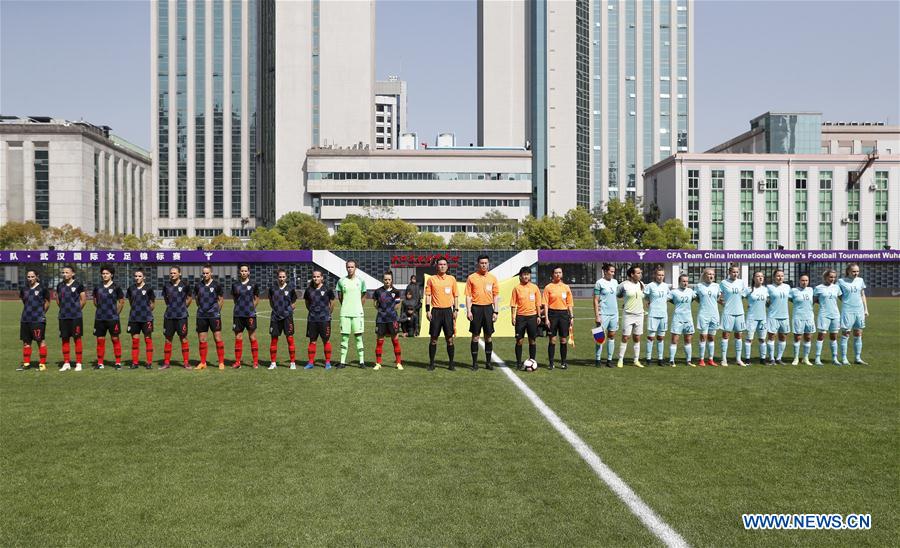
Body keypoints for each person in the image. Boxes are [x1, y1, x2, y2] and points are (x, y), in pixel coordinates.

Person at [466, 254, 500, 371]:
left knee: (488, 337)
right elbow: (468, 296)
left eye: (486, 263)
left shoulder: (493, 278)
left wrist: (496, 311)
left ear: (488, 264)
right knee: (475, 336)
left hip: (488, 309)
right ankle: (474, 363)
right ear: (478, 264)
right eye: (482, 263)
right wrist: (469, 310)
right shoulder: (471, 278)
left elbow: (496, 296)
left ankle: (488, 363)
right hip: (476, 309)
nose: (484, 265)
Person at [425, 258, 458, 371]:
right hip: (436, 312)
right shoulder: (431, 279)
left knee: (449, 339)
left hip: (448, 311)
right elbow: (428, 296)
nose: (442, 266)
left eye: (444, 264)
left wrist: (456, 309)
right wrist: (428, 310)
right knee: (433, 339)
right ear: (437, 266)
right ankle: (431, 363)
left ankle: (451, 363)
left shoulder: (452, 279)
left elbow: (456, 295)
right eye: (440, 264)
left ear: (447, 266)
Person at [17, 269, 50, 371]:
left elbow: (47, 302)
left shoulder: (43, 288)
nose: (30, 279)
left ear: (37, 276)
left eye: (32, 276)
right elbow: (24, 301)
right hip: (25, 319)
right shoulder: (24, 289)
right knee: (26, 342)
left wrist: (41, 313)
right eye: (28, 277)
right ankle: (26, 363)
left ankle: (42, 364)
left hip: (38, 319)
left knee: (40, 341)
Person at [193, 265, 225, 370]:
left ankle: (221, 362)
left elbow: (220, 299)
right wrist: (202, 308)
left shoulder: (217, 285)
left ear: (211, 273)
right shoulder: (198, 285)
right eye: (204, 273)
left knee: (217, 338)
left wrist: (217, 311)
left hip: (214, 315)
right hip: (201, 315)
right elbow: (197, 300)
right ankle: (203, 362)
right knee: (202, 340)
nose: (205, 275)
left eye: (207, 273)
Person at [336, 260, 367, 368]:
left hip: (357, 313)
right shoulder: (341, 281)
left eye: (352, 267)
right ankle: (342, 362)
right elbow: (340, 297)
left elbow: (363, 296)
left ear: (355, 268)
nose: (350, 269)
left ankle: (362, 362)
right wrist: (346, 305)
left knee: (358, 337)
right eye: (348, 267)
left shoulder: (361, 281)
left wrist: (358, 306)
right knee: (344, 338)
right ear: (346, 268)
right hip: (345, 313)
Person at [510, 266, 542, 370]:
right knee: (519, 340)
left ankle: (532, 361)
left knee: (532, 340)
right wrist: (513, 317)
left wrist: (538, 316)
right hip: (520, 317)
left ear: (530, 276)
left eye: (527, 274)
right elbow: (513, 304)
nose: (526, 276)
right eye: (524, 274)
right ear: (520, 276)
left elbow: (538, 303)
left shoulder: (534, 287)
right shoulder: (516, 288)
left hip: (532, 317)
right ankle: (518, 363)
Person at [543, 266, 574, 370]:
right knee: (552, 340)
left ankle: (563, 362)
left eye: (560, 272)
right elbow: (545, 304)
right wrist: (546, 318)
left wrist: (572, 316)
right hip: (552, 314)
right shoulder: (548, 287)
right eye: (556, 273)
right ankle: (551, 363)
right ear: (552, 274)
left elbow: (569, 303)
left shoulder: (566, 287)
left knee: (563, 340)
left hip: (564, 315)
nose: (558, 274)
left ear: (562, 274)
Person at [161, 266, 192, 369]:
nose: (172, 275)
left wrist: (182, 308)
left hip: (181, 316)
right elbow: (166, 300)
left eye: (174, 273)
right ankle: (166, 363)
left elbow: (189, 298)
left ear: (179, 274)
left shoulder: (185, 285)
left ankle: (186, 362)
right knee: (168, 339)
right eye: (171, 273)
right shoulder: (166, 286)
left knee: (183, 338)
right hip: (169, 316)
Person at [303, 269, 335, 369]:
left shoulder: (327, 289)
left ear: (322, 278)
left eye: (318, 277)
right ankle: (311, 363)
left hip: (324, 319)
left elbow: (332, 302)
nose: (316, 278)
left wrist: (328, 313)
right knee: (312, 341)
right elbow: (307, 303)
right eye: (314, 277)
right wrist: (312, 312)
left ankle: (328, 362)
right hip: (312, 319)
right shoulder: (308, 290)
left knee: (326, 340)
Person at [56, 265, 86, 372]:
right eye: (63, 272)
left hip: (75, 317)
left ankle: (78, 363)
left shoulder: (78, 285)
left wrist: (76, 310)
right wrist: (64, 310)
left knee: (77, 339)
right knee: (65, 339)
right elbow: (58, 300)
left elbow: (83, 300)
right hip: (63, 316)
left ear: (72, 274)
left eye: (67, 272)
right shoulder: (59, 285)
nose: (64, 274)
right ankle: (66, 362)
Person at [838, 263, 868, 365]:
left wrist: (865, 309)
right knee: (846, 333)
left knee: (858, 333)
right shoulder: (841, 281)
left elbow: (862, 294)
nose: (856, 273)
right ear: (848, 272)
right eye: (853, 271)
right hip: (848, 310)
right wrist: (846, 302)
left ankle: (857, 358)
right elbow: (839, 295)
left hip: (859, 310)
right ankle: (844, 358)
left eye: (857, 271)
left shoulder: (860, 280)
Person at [231, 263, 260, 368]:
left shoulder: (253, 284)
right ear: (240, 272)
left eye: (245, 271)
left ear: (249, 272)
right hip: (238, 314)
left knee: (252, 337)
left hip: (250, 315)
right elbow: (235, 299)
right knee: (238, 337)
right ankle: (238, 362)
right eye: (242, 271)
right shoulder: (235, 285)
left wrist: (251, 308)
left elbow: (256, 298)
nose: (243, 272)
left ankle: (255, 362)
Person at [373, 271, 403, 370]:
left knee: (395, 341)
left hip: (392, 319)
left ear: (391, 280)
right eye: (385, 279)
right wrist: (382, 311)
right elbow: (375, 303)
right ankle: (378, 363)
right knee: (379, 342)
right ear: (383, 280)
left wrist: (392, 311)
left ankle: (398, 363)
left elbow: (398, 304)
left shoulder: (396, 291)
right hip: (381, 319)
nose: (387, 281)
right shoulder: (378, 291)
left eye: (389, 279)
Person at [125, 269, 155, 369]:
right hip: (134, 318)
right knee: (135, 340)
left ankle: (149, 362)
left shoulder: (149, 288)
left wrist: (146, 311)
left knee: (148, 339)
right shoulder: (131, 288)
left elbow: (152, 304)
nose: (137, 278)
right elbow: (130, 302)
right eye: (136, 276)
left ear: (144, 277)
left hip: (146, 318)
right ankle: (135, 362)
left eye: (139, 276)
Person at [615, 266, 644, 368]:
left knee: (637, 337)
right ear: (632, 274)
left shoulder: (641, 284)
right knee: (625, 337)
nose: (640, 274)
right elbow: (618, 295)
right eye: (638, 273)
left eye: (640, 272)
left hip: (639, 315)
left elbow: (642, 297)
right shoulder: (624, 285)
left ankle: (636, 360)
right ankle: (620, 359)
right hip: (628, 314)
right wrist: (625, 303)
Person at [269, 268, 298, 369]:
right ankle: (273, 363)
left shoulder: (290, 289)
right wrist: (277, 311)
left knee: (290, 339)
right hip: (275, 318)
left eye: (283, 277)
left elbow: (294, 303)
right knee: (274, 340)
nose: (281, 279)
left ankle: (293, 363)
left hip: (287, 318)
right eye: (280, 277)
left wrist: (287, 312)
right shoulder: (272, 289)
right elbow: (271, 302)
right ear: (277, 278)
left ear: (286, 277)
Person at [718, 264, 747, 367]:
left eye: (737, 272)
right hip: (728, 312)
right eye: (733, 272)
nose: (735, 274)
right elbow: (718, 296)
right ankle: (724, 359)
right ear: (729, 272)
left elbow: (744, 295)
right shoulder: (723, 283)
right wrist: (721, 302)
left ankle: (738, 359)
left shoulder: (741, 283)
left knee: (739, 335)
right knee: (726, 335)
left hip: (739, 312)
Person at [592, 263, 619, 367]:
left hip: (614, 313)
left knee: (611, 335)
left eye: (613, 271)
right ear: (606, 271)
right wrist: (597, 315)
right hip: (603, 313)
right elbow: (595, 300)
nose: (613, 273)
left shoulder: (615, 282)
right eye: (611, 271)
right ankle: (598, 360)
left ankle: (609, 360)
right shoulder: (599, 283)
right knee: (599, 337)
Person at [813, 269, 841, 366]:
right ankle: (817, 358)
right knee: (821, 336)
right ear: (825, 277)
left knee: (834, 337)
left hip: (835, 314)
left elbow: (842, 299)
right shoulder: (818, 288)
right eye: (830, 277)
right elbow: (814, 300)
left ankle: (835, 358)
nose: (832, 279)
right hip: (824, 314)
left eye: (834, 277)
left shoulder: (837, 288)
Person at [668, 274, 696, 367]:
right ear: (679, 282)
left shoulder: (691, 291)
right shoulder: (674, 292)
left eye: (687, 281)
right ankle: (671, 360)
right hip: (678, 318)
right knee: (675, 340)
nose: (685, 283)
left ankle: (688, 361)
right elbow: (668, 299)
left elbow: (693, 299)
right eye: (683, 281)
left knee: (688, 340)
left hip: (688, 318)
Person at [644, 266, 670, 366]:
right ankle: (648, 359)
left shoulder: (666, 286)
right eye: (659, 275)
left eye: (662, 275)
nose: (660, 277)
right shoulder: (650, 286)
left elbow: (668, 296)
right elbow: (646, 296)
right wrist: (649, 301)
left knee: (660, 338)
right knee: (651, 337)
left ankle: (660, 359)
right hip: (653, 315)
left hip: (663, 315)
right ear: (655, 275)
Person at [765, 268, 792, 365]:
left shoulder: (787, 287)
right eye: (778, 276)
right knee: (771, 336)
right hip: (773, 316)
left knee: (783, 337)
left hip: (784, 316)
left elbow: (793, 299)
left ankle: (779, 358)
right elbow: (766, 301)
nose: (780, 277)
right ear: (774, 277)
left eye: (782, 276)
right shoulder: (769, 287)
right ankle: (771, 358)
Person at [695, 268, 721, 367]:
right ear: (704, 275)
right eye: (709, 274)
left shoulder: (717, 286)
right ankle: (701, 360)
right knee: (703, 337)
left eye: (713, 274)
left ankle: (710, 359)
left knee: (711, 337)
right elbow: (697, 298)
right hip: (703, 314)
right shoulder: (699, 286)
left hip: (714, 315)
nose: (711, 276)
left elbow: (718, 298)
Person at [743, 271, 769, 365]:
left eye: (762, 276)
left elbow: (768, 302)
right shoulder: (749, 290)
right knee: (749, 339)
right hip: (751, 318)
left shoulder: (766, 290)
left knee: (762, 339)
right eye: (758, 276)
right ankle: (747, 359)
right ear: (754, 278)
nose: (760, 278)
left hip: (763, 318)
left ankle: (763, 359)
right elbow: (740, 298)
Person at [789, 273, 815, 366]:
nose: (804, 282)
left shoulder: (811, 290)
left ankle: (806, 358)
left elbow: (815, 300)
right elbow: (790, 300)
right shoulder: (793, 290)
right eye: (803, 280)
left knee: (808, 337)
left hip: (809, 317)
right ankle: (796, 358)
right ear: (799, 281)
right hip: (798, 317)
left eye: (806, 280)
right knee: (798, 337)